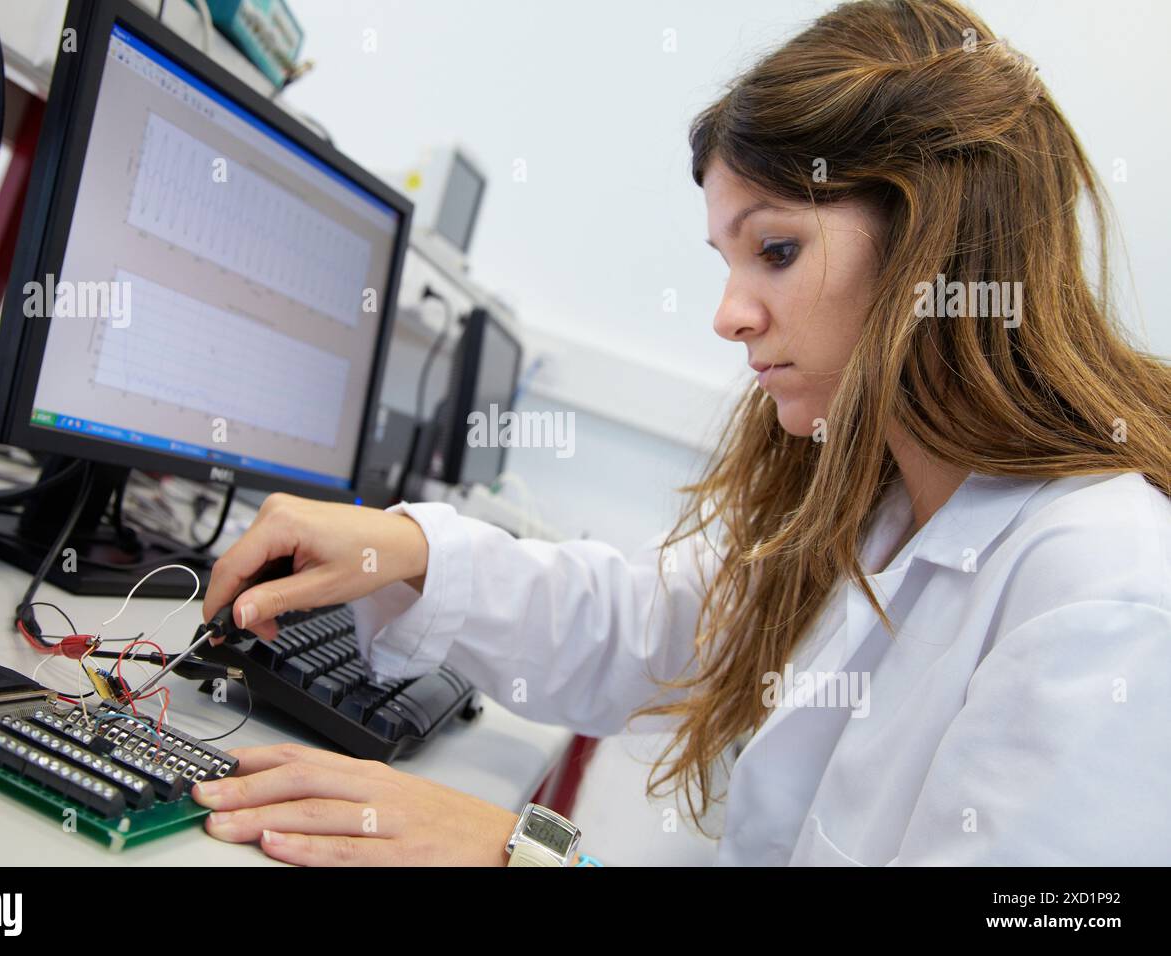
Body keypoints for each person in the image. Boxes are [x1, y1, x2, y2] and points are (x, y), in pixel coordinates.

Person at [191, 0, 1171, 866]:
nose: (729, 315)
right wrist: (404, 549)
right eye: (725, 259)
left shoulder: (1106, 596)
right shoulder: (884, 495)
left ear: (932, 249)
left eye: (775, 249)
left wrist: (524, 855)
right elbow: (660, 625)